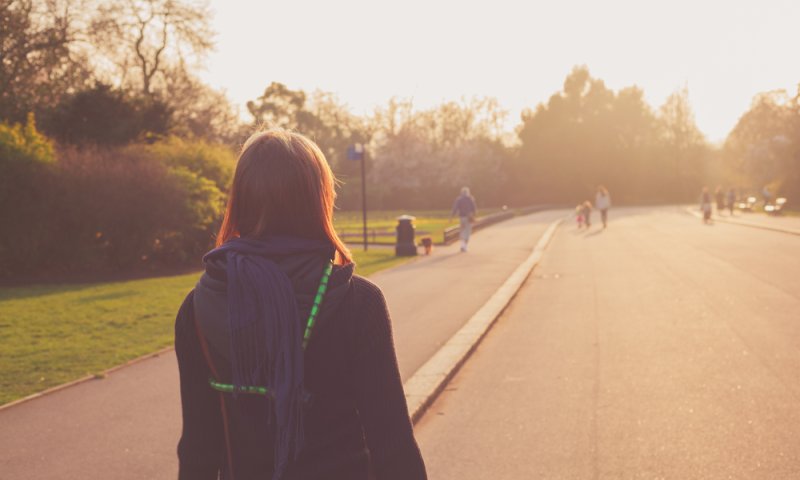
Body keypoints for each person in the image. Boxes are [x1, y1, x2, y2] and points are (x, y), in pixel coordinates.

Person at [174, 130, 427, 480]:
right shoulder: (356, 303)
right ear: (319, 199)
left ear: (242, 201)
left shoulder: (198, 308)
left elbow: (198, 451)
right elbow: (392, 443)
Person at [451, 186, 477, 252]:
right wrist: (474, 215)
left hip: (462, 217)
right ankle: (465, 246)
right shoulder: (470, 199)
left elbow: (455, 208)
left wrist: (452, 216)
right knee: (468, 231)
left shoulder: (459, 199)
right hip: (469, 218)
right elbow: (474, 208)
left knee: (462, 231)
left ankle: (462, 245)